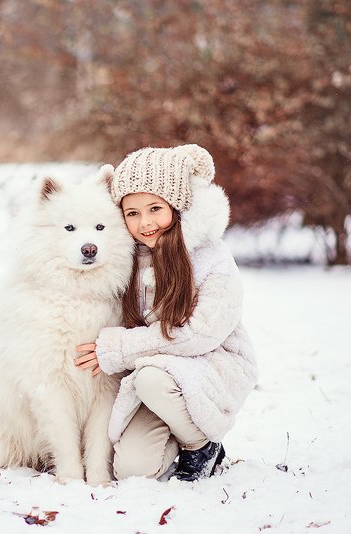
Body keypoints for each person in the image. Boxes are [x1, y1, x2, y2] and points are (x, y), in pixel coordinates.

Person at [74, 144, 258, 482]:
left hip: (210, 368)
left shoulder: (209, 257)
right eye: (132, 213)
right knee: (133, 470)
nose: (144, 223)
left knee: (152, 379)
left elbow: (200, 333)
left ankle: (202, 444)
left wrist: (117, 348)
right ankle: (178, 428)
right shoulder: (129, 256)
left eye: (155, 208)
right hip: (153, 376)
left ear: (176, 204)